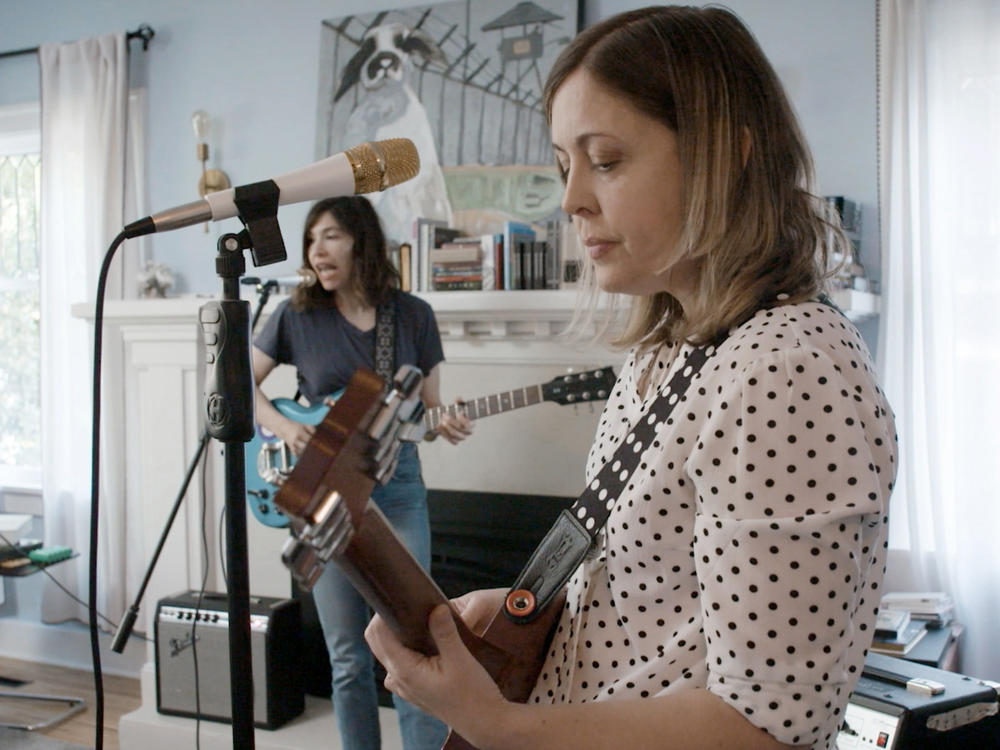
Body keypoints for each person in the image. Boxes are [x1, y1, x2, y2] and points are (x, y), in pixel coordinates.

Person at [364, 6, 897, 750]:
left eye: (606, 160)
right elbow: (659, 611)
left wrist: (496, 725)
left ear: (727, 156)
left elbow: (762, 724)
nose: (572, 198)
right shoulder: (671, 351)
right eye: (564, 165)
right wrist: (528, 614)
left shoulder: (786, 368)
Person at [251, 194, 472, 750]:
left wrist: (444, 423)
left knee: (414, 645)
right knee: (347, 655)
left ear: (360, 242)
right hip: (322, 491)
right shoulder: (296, 315)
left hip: (396, 493)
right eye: (310, 239)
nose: (315, 249)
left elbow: (428, 409)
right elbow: (240, 383)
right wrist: (280, 424)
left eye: (329, 236)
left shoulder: (413, 315)